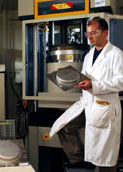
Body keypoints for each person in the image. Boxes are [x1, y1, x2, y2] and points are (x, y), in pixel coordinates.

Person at [50, 17, 123, 172]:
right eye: (88, 33)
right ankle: (79, 161)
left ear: (105, 32)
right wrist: (73, 80)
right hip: (87, 103)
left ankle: (95, 164)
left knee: (105, 159)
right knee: (64, 126)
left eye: (94, 32)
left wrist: (94, 85)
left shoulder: (116, 54)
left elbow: (120, 82)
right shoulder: (89, 55)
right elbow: (83, 75)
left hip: (105, 106)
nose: (90, 36)